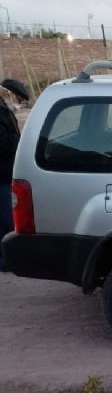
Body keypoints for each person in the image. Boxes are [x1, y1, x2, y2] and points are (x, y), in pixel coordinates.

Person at [0, 78, 28, 270]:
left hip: (6, 172)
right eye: (16, 97)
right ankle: (5, 261)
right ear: (6, 92)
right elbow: (3, 143)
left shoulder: (4, 109)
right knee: (6, 221)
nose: (16, 101)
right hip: (1, 174)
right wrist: (22, 141)